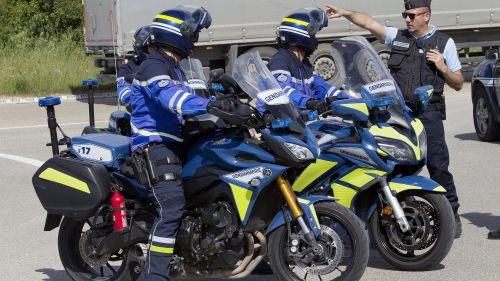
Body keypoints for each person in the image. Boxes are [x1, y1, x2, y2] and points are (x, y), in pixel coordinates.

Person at [325, 0, 464, 238]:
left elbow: (459, 83)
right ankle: (389, 214)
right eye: (405, 15)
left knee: (438, 165)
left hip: (427, 112)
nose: (407, 20)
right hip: (397, 112)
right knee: (391, 163)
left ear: (426, 16)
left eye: (411, 15)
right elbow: (368, 22)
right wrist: (345, 12)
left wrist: (442, 67)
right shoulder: (397, 37)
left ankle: (451, 214)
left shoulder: (444, 42)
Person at [130, 6, 229, 280]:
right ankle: (155, 277)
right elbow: (172, 100)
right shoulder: (154, 65)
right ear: (177, 34)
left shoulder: (174, 66)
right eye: (193, 33)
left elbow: (192, 97)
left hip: (177, 144)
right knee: (171, 208)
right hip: (155, 145)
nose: (195, 38)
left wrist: (227, 105)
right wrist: (211, 105)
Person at [265, 7, 351, 114]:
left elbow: (320, 86)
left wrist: (344, 98)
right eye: (313, 35)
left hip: (300, 120)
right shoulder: (280, 61)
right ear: (299, 35)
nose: (315, 39)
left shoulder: (304, 64)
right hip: (279, 121)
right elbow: (282, 91)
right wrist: (309, 102)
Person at [116, 26, 155, 108]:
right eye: (152, 47)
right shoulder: (127, 69)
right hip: (142, 112)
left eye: (158, 48)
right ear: (142, 48)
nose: (156, 51)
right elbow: (123, 89)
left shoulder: (166, 65)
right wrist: (131, 100)